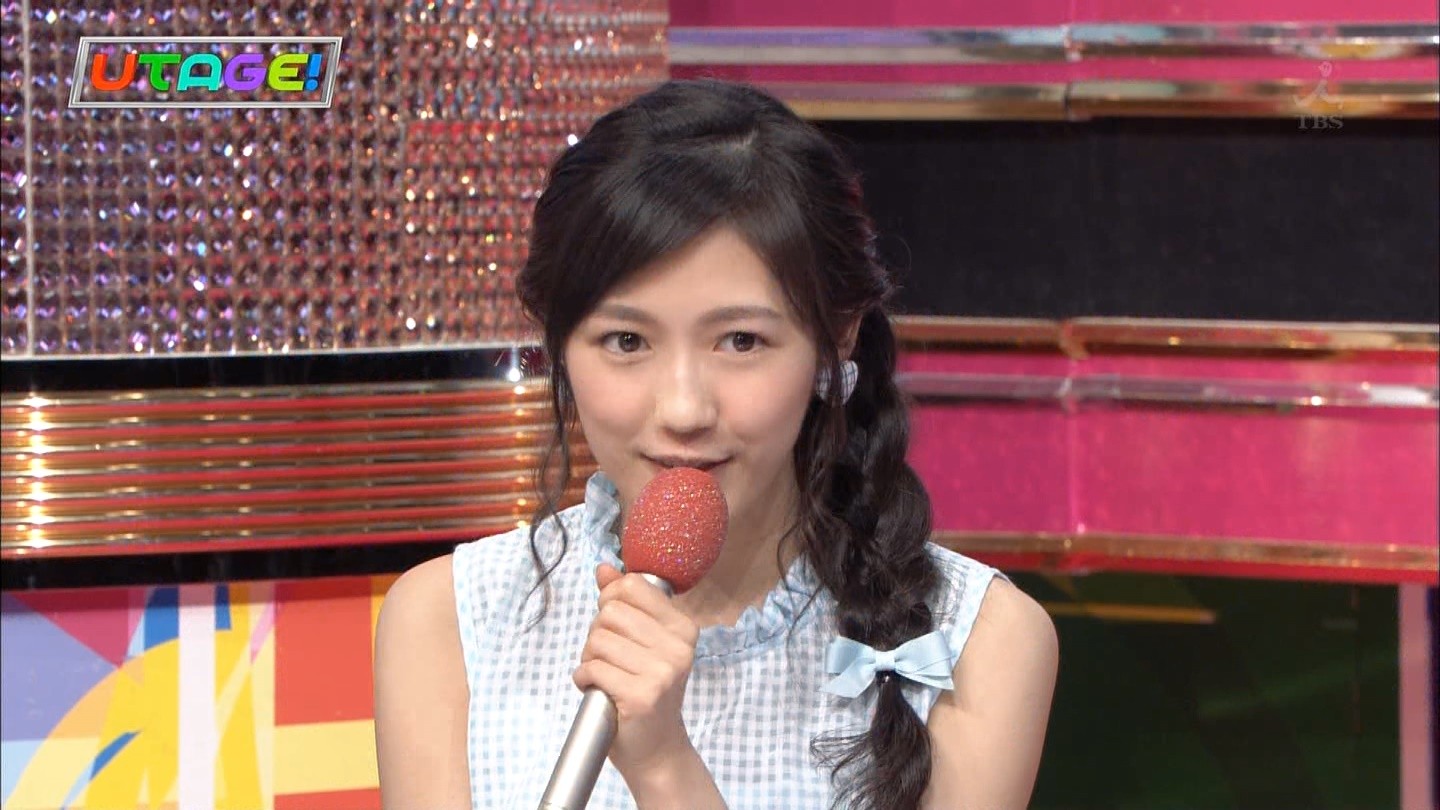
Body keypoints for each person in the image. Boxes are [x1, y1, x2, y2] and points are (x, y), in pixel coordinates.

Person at [373, 78, 1058, 810]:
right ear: (559, 345)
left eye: (740, 341)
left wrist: (664, 766)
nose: (684, 409)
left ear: (837, 337)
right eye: (626, 341)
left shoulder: (976, 641)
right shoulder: (452, 621)